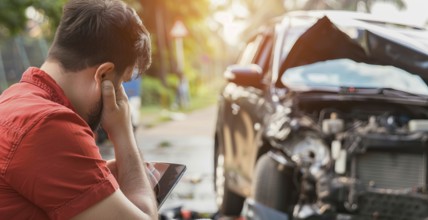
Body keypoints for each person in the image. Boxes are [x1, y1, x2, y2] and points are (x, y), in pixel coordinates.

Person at [0, 0, 158, 219]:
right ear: (103, 75)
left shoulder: (13, 99)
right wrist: (123, 133)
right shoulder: (50, 125)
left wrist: (97, 179)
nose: (122, 97)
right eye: (121, 83)